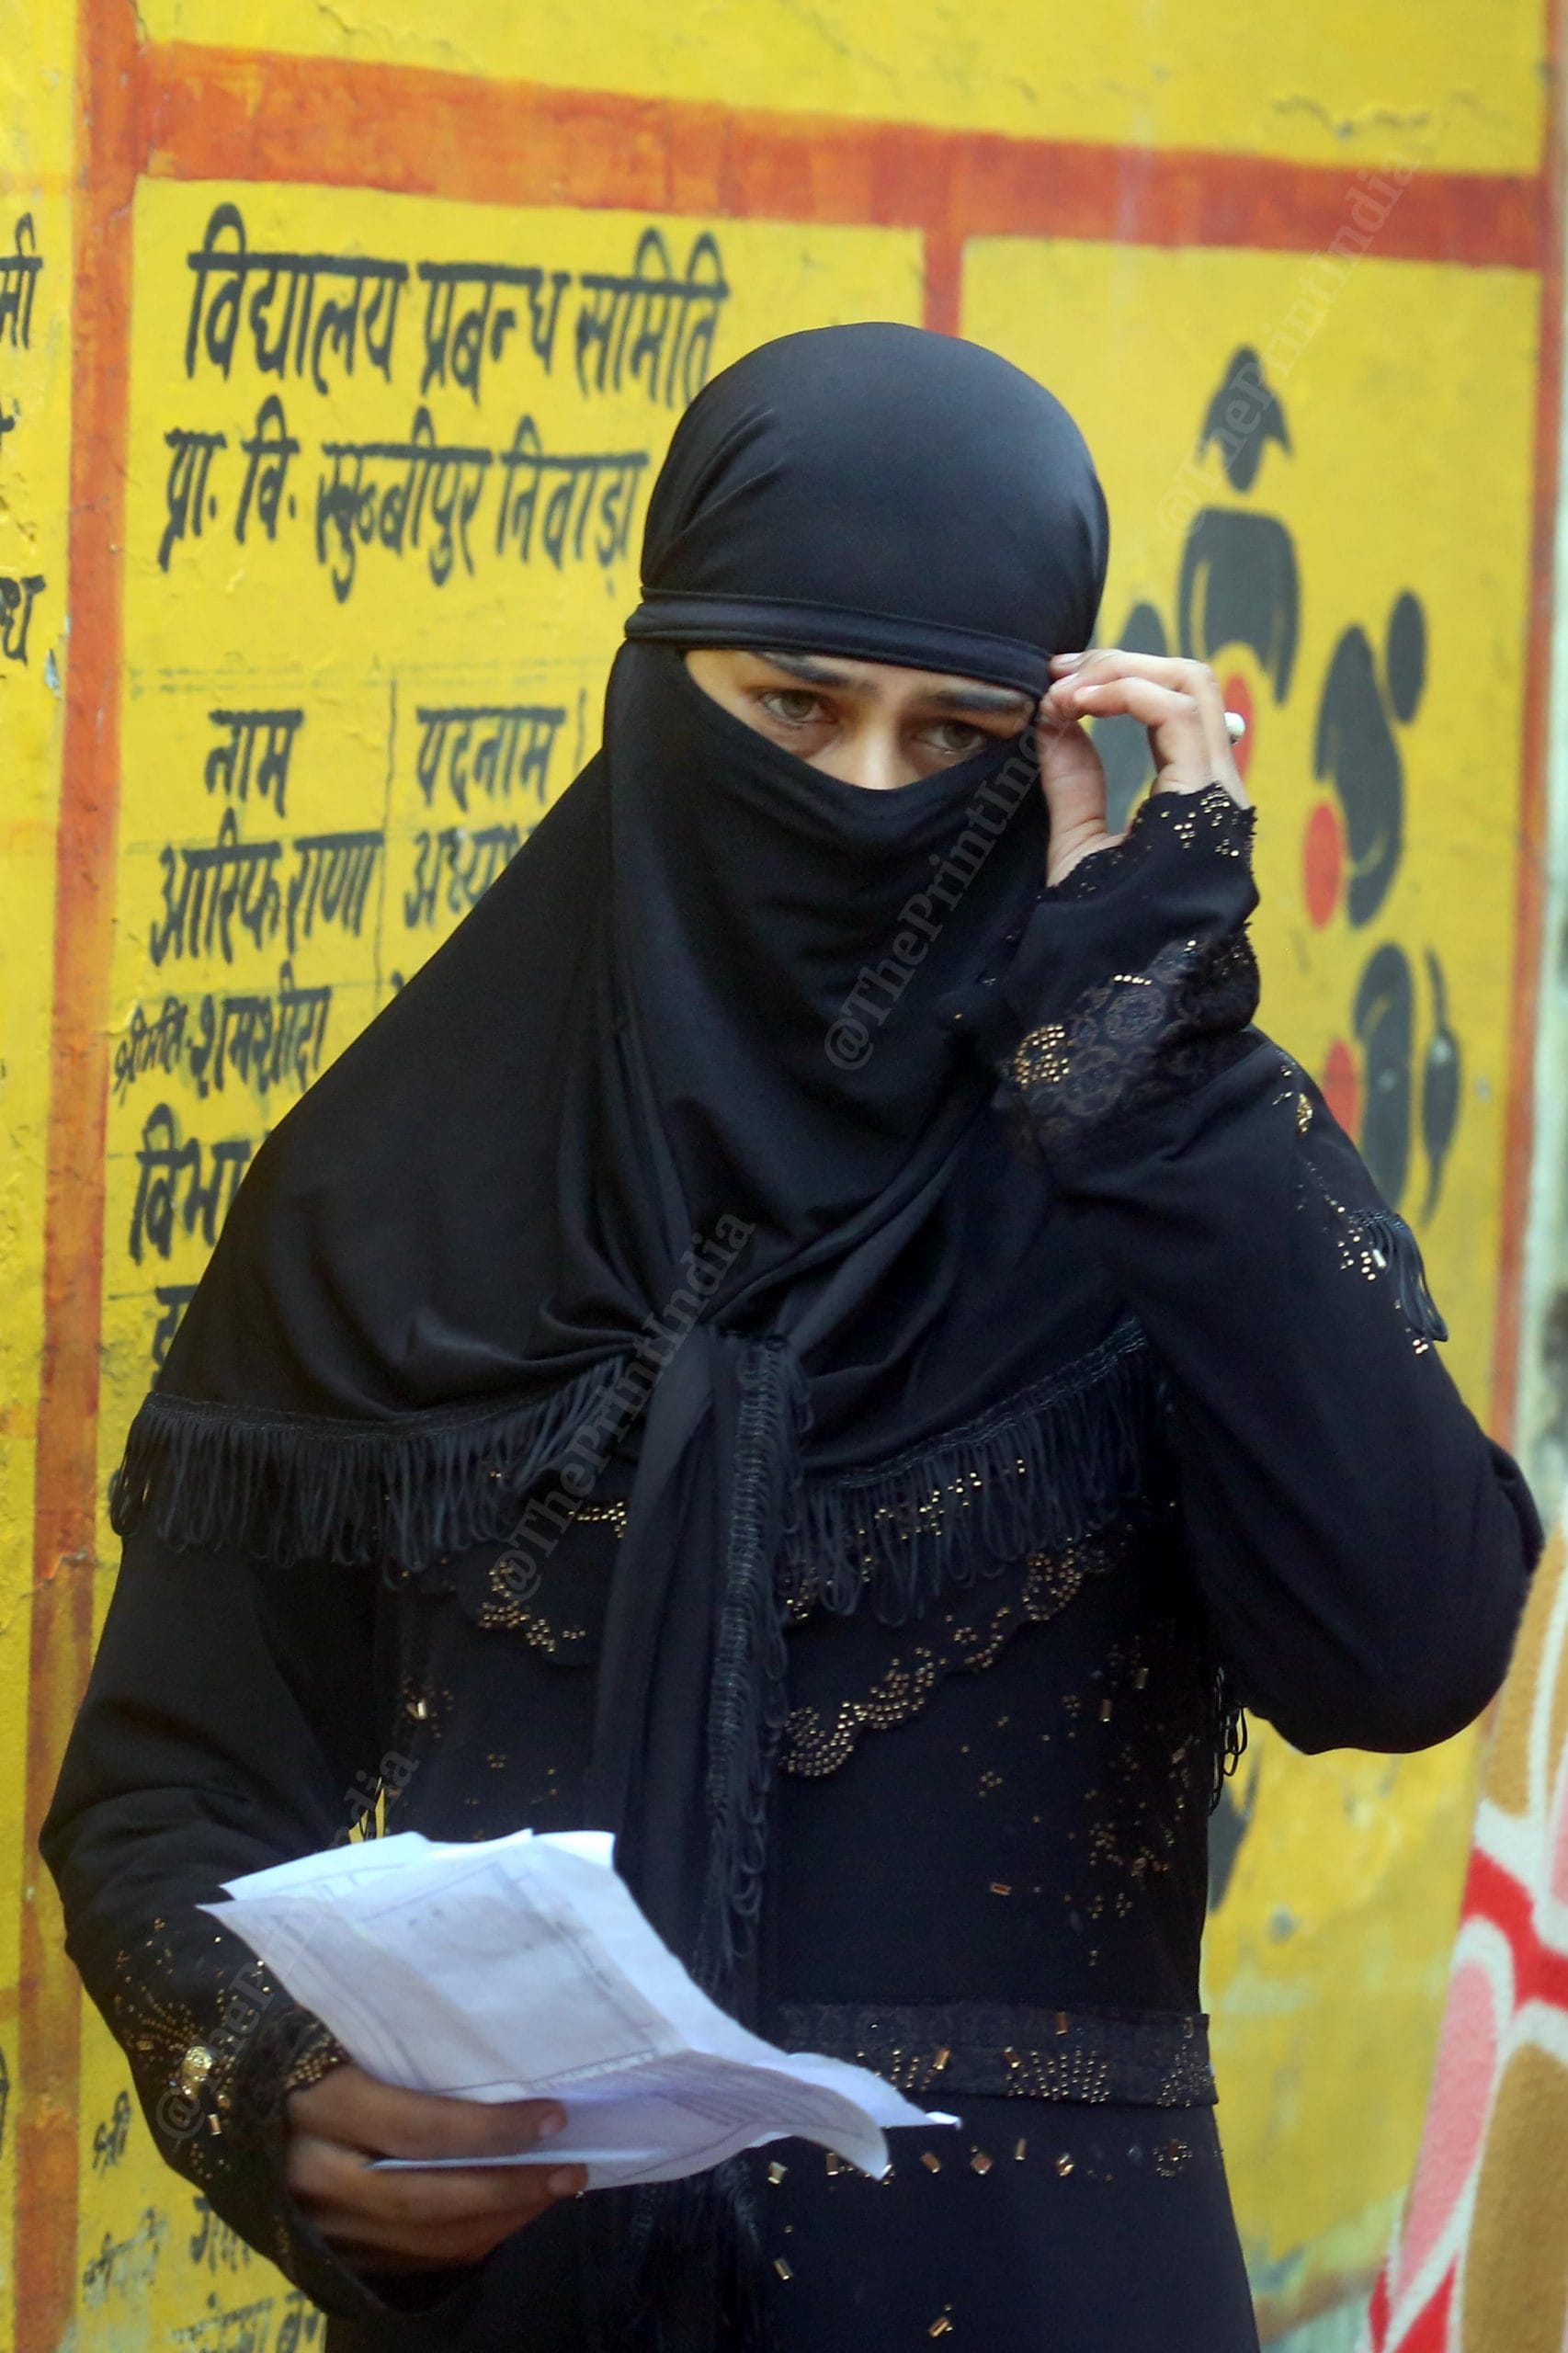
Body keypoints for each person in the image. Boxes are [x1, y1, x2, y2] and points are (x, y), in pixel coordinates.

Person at [42, 324, 1540, 2353]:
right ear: (665, 690)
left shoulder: (1155, 1171)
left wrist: (1155, 1090)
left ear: (1060, 742)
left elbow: (1406, 1642)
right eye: (793, 702)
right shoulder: (399, 1196)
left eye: (950, 738)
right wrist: (264, 2079)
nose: (859, 788)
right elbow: (169, 1784)